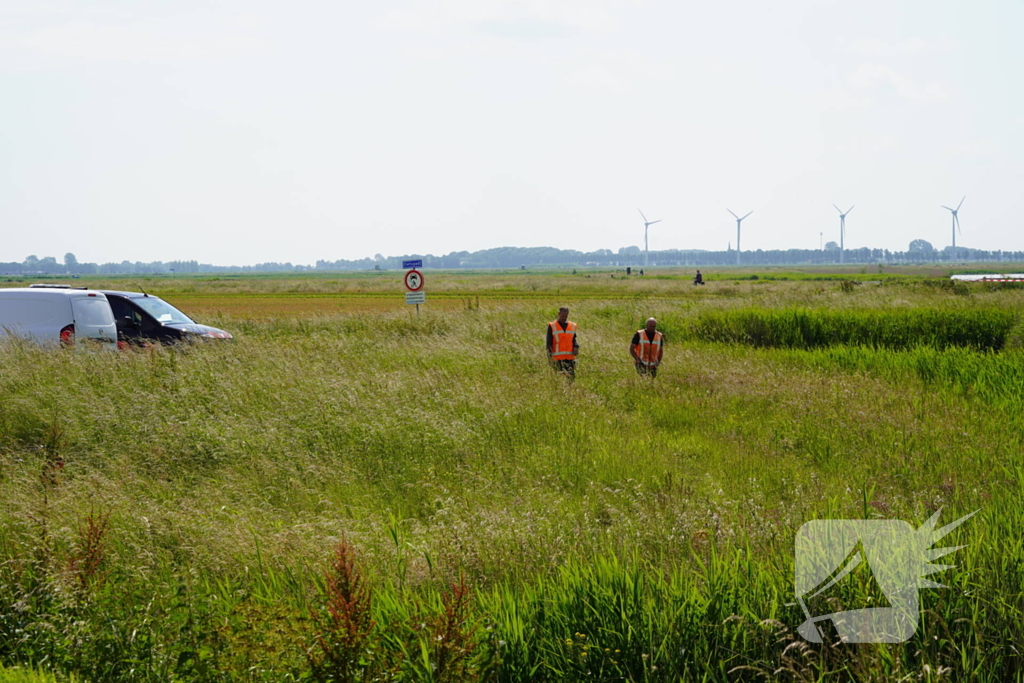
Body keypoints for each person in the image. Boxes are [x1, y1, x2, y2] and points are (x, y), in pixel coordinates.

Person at [546, 306, 579, 379]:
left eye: (566, 315)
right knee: (559, 378)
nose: (564, 317)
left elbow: (574, 339)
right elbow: (549, 342)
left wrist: (576, 347)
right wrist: (549, 357)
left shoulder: (572, 325)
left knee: (571, 378)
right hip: (557, 358)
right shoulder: (552, 326)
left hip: (570, 357)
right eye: (563, 315)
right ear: (559, 314)